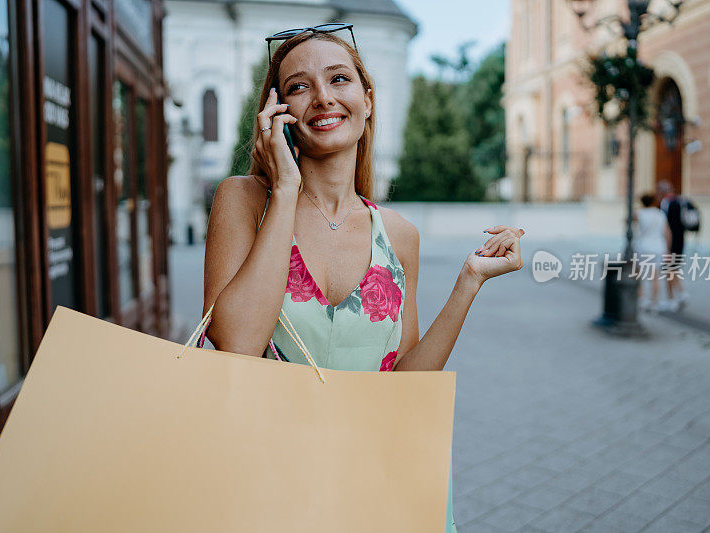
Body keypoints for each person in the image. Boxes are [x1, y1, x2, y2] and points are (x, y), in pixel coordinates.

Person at [202, 27, 525, 533]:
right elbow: (237, 347)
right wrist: (285, 190)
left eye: (339, 79)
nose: (323, 97)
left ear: (367, 99)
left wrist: (468, 282)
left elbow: (404, 387)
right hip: (268, 485)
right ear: (277, 111)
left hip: (377, 481)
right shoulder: (243, 201)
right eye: (299, 87)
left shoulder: (398, 235)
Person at [633, 192, 671, 312]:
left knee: (638, 274)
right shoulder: (660, 214)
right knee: (655, 276)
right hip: (658, 246)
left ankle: (642, 298)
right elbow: (667, 232)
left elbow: (628, 219)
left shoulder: (640, 213)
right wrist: (668, 249)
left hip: (643, 245)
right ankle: (654, 302)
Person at [656, 180, 689, 310]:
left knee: (668, 269)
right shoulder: (680, 201)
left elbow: (668, 228)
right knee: (673, 268)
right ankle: (682, 293)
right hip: (680, 240)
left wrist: (667, 247)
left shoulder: (668, 203)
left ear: (662, 192)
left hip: (670, 242)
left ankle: (671, 299)